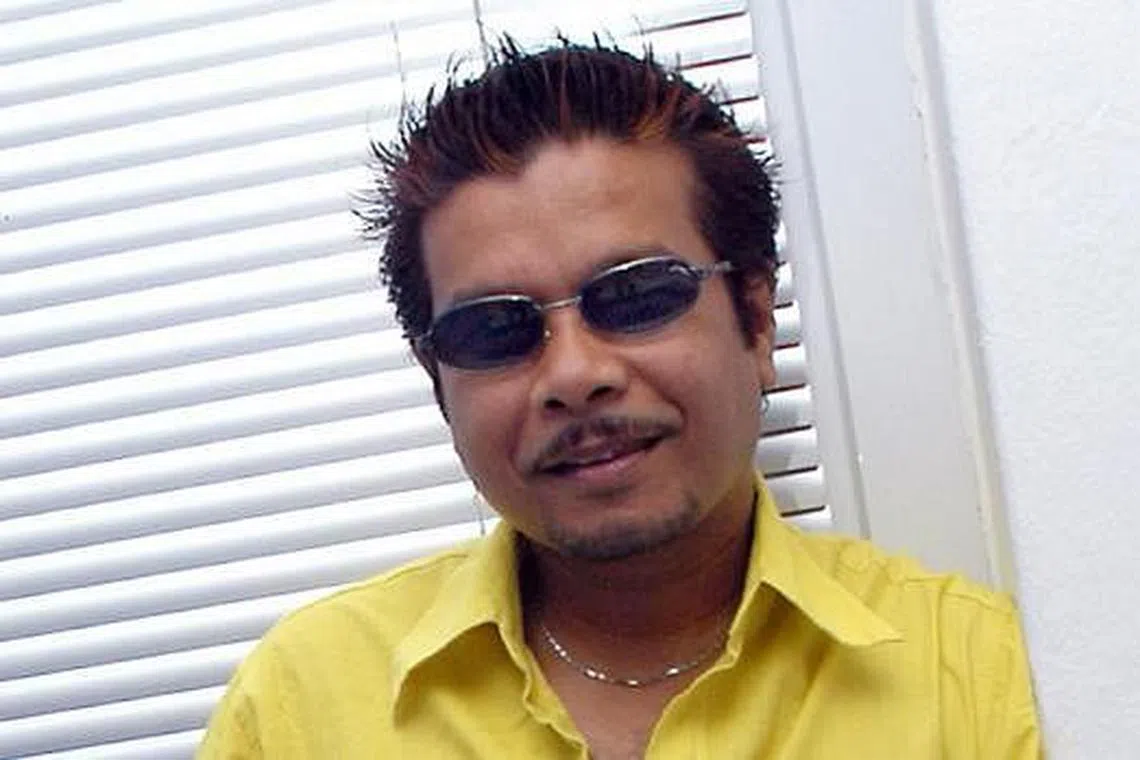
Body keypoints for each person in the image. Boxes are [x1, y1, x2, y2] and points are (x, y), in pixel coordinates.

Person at [197, 38, 1042, 759]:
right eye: (496, 329)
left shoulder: (979, 677)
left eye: (636, 296)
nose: (573, 374)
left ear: (755, 321)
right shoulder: (305, 708)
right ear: (439, 382)